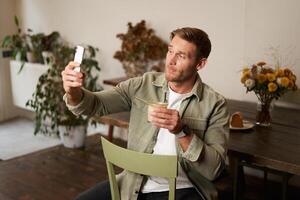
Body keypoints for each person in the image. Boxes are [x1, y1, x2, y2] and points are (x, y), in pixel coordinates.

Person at [62, 27, 229, 200]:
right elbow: (94, 105)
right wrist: (73, 92)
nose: (171, 60)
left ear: (200, 64)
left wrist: (181, 131)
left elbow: (214, 171)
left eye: (181, 56)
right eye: (170, 51)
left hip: (183, 189)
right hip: (132, 182)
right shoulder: (143, 85)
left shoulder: (215, 104)